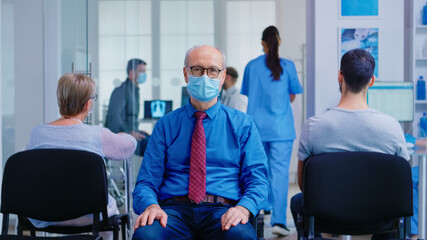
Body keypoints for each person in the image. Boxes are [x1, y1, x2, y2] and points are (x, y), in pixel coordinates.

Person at [132, 45, 269, 240]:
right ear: (186, 74)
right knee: (146, 236)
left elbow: (258, 180)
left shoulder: (243, 125)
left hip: (223, 211)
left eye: (213, 70)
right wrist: (151, 206)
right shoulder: (166, 125)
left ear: (222, 77)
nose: (205, 76)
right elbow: (146, 181)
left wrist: (243, 208)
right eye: (197, 69)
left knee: (242, 237)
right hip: (172, 212)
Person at [291, 49, 410, 238]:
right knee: (395, 208)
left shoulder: (313, 126)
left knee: (298, 201)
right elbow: (401, 183)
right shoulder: (392, 127)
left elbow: (304, 185)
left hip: (326, 216)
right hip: (379, 217)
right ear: (372, 81)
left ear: (340, 76)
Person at [25, 73, 137, 240]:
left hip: (43, 215)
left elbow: (24, 159)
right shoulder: (96, 135)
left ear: (59, 99)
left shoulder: (37, 133)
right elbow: (128, 147)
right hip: (90, 215)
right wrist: (125, 135)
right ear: (88, 104)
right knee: (108, 205)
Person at [240, 25, 303, 236]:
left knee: (258, 171)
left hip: (257, 128)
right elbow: (292, 95)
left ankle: (261, 209)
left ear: (262, 43)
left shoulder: (251, 66)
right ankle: (278, 220)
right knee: (279, 174)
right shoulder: (288, 66)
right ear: (279, 41)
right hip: (281, 129)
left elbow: (249, 94)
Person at [105, 58, 149, 156]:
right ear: (131, 73)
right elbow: (114, 116)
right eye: (141, 71)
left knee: (155, 141)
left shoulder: (134, 90)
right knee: (155, 148)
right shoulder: (122, 90)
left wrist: (136, 130)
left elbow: (130, 117)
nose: (144, 75)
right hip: (122, 136)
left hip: (130, 133)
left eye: (145, 72)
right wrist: (128, 132)